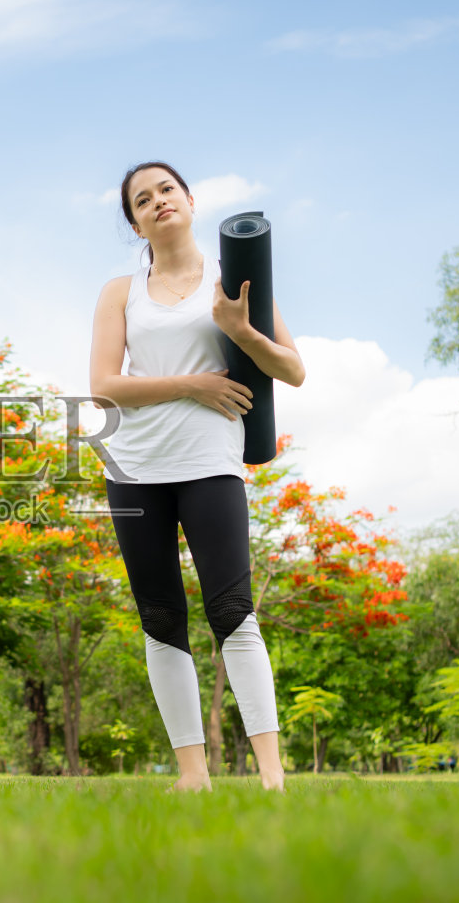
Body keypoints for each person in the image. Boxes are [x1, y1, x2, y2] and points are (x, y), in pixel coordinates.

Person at [88, 161, 306, 793]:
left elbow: (293, 370)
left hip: (210, 460)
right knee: (160, 617)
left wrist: (239, 330)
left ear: (189, 200)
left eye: (167, 190)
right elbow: (103, 387)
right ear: (135, 224)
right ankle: (192, 775)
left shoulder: (232, 281)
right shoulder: (119, 292)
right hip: (134, 467)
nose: (158, 201)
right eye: (142, 199)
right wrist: (192, 384)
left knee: (233, 610)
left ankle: (272, 775)